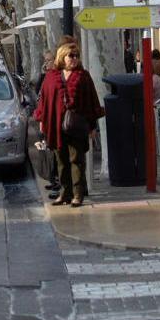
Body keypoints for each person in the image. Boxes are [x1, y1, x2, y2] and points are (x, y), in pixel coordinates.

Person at [34, 43, 104, 208]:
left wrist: (92, 126)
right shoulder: (51, 77)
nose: (74, 59)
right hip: (56, 125)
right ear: (62, 57)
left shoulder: (83, 76)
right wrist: (42, 123)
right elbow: (44, 102)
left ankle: (77, 194)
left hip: (77, 126)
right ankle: (64, 194)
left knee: (76, 160)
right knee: (61, 161)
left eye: (76, 56)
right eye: (71, 56)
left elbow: (91, 102)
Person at [33, 51, 61, 199]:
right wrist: (43, 75)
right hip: (46, 120)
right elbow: (38, 91)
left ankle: (58, 181)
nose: (46, 63)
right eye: (45, 60)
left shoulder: (59, 77)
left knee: (55, 154)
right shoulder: (47, 76)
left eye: (49, 60)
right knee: (49, 151)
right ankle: (53, 178)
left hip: (54, 121)